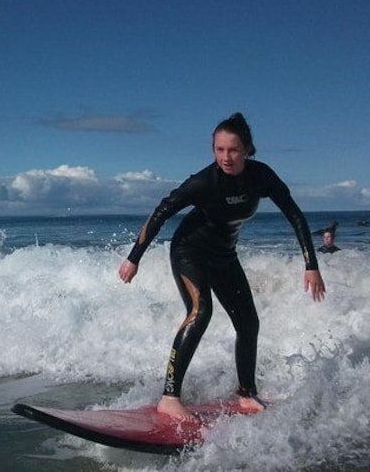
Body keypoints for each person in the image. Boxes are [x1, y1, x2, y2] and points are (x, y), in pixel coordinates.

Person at [118, 112, 326, 421]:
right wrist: (134, 257)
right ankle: (169, 398)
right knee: (200, 312)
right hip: (189, 251)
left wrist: (311, 264)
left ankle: (245, 394)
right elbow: (161, 212)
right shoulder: (203, 182)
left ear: (247, 150)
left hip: (224, 255)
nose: (225, 157)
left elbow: (295, 215)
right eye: (219, 150)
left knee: (248, 322)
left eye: (233, 150)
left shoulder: (261, 176)